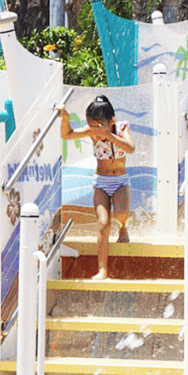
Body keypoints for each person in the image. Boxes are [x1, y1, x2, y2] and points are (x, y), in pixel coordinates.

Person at [55, 94, 135, 281]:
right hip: (101, 182)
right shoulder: (92, 132)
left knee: (121, 214)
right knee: (103, 224)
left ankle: (123, 227)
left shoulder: (121, 129)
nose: (96, 132)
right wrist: (66, 118)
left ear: (111, 121)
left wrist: (110, 136)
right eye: (92, 127)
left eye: (99, 128)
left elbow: (130, 148)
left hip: (120, 181)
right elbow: (67, 135)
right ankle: (102, 270)